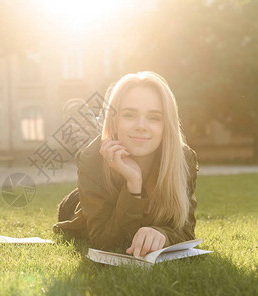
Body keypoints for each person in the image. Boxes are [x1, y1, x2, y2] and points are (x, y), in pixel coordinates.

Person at [53, 71, 199, 259]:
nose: (141, 125)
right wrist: (133, 182)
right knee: (93, 150)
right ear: (115, 121)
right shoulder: (91, 159)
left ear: (166, 124)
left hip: (110, 163)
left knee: (99, 145)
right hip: (80, 204)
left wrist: (163, 235)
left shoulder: (183, 158)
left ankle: (96, 128)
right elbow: (105, 242)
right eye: (129, 115)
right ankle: (92, 134)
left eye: (154, 117)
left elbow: (187, 232)